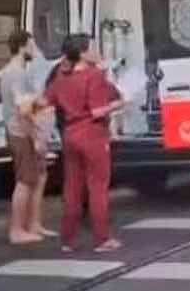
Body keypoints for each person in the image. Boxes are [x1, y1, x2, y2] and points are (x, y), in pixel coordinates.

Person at [36, 34, 124, 253]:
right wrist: (120, 104)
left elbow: (41, 102)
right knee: (97, 187)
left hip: (70, 134)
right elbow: (96, 111)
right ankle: (102, 238)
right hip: (92, 134)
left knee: (72, 188)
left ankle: (67, 239)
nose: (96, 50)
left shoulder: (61, 80)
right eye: (93, 47)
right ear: (84, 53)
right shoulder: (94, 76)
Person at [0, 29, 55, 244]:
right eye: (31, 45)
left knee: (37, 177)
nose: (34, 49)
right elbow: (23, 110)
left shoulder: (13, 72)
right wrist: (36, 136)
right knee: (24, 181)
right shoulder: (17, 73)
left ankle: (33, 224)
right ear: (22, 46)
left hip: (21, 130)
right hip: (22, 133)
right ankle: (17, 230)